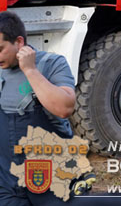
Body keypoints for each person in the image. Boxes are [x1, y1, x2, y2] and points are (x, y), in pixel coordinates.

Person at [0, 11, 77, 205]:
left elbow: (65, 108)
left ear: (19, 42)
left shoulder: (51, 64)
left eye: (0, 49)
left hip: (49, 179)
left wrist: (31, 70)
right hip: (7, 183)